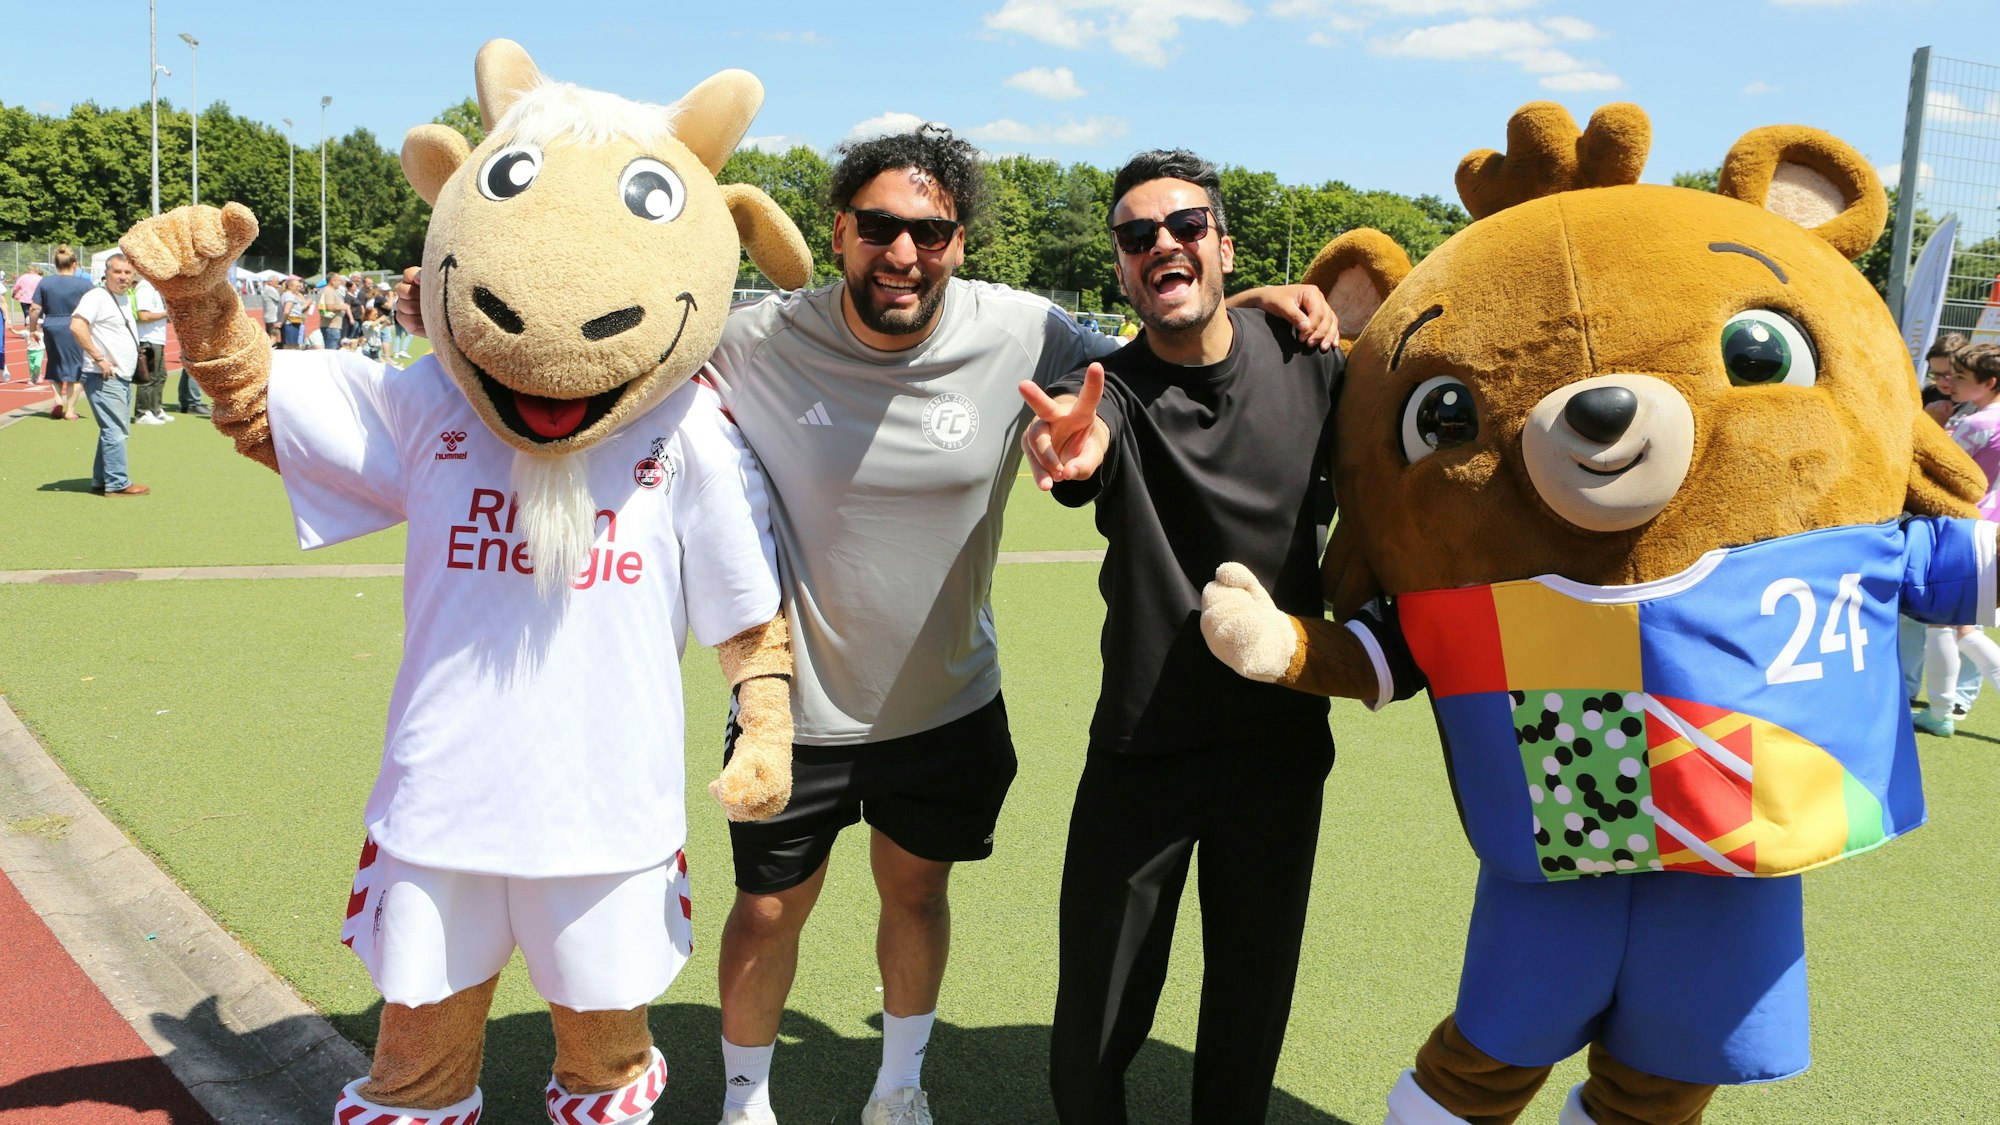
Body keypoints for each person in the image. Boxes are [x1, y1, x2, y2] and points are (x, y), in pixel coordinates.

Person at [396, 125, 1335, 1125]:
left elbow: (1162, 347)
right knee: (763, 912)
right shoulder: (753, 338)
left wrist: (1249, 303)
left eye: (929, 233)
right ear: (837, 232)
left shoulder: (1021, 331)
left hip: (949, 704)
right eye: (879, 227)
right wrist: (462, 314)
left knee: (917, 896)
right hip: (795, 712)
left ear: (959, 242)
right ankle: (747, 1101)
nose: (903, 253)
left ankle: (898, 1088)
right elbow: (614, 345)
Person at [1019, 149, 1344, 1123]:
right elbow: (1080, 452)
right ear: (1119, 268)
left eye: (1183, 226)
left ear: (1220, 243)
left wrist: (1264, 302)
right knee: (1095, 1021)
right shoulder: (1106, 391)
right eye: (1135, 236)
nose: (1161, 243)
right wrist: (1068, 454)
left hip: (1280, 743)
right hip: (1142, 747)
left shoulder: (1309, 361)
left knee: (1248, 1010)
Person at [1915, 341, 2000, 736]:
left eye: (1961, 378)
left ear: (1989, 382)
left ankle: (1941, 712)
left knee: (1941, 625)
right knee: (1963, 627)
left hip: (1963, 531)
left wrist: (1932, 425)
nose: (1952, 383)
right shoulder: (1987, 418)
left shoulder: (1976, 423)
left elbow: (1938, 464)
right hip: (1990, 530)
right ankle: (1942, 711)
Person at [1904, 331, 1980, 717]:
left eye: (1951, 375)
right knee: (1919, 613)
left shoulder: (1979, 410)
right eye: (1936, 375)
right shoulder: (1929, 400)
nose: (1944, 384)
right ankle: (1907, 685)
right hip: (1929, 523)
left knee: (1967, 620)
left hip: (1971, 524)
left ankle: (1960, 699)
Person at [69, 253, 149, 496]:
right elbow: (76, 325)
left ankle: (101, 480)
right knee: (115, 431)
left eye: (127, 272)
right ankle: (117, 483)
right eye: (118, 272)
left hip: (120, 375)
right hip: (104, 375)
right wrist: (99, 358)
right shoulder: (97, 297)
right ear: (107, 273)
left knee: (112, 429)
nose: (123, 277)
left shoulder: (123, 298)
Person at [30, 246, 94, 420]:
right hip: (75, 325)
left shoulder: (45, 283)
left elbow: (35, 308)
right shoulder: (85, 284)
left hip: (51, 324)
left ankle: (58, 398)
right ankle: (70, 410)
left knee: (55, 363)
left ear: (55, 263)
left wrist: (32, 330)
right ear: (74, 264)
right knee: (77, 367)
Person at [131, 275, 175, 426]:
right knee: (147, 377)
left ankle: (155, 408)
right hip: (148, 338)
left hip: (157, 338)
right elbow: (143, 315)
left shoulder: (155, 289)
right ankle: (142, 413)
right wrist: (166, 313)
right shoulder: (144, 289)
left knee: (160, 375)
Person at [318, 273, 348, 351]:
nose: (340, 283)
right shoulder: (329, 291)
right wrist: (343, 307)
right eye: (338, 281)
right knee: (331, 351)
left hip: (329, 325)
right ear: (332, 281)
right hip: (331, 326)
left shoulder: (326, 290)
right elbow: (329, 306)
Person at [282, 278, 310, 349]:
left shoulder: (288, 295)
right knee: (291, 347)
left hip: (292, 323)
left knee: (292, 346)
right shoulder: (289, 296)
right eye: (298, 286)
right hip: (291, 323)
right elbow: (287, 311)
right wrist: (281, 322)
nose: (300, 288)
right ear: (291, 287)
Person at [261, 275, 285, 346]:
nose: (278, 283)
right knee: (273, 335)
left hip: (270, 316)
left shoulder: (268, 288)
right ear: (270, 282)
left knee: (272, 335)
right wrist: (282, 289)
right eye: (277, 281)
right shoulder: (269, 289)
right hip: (272, 317)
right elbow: (278, 298)